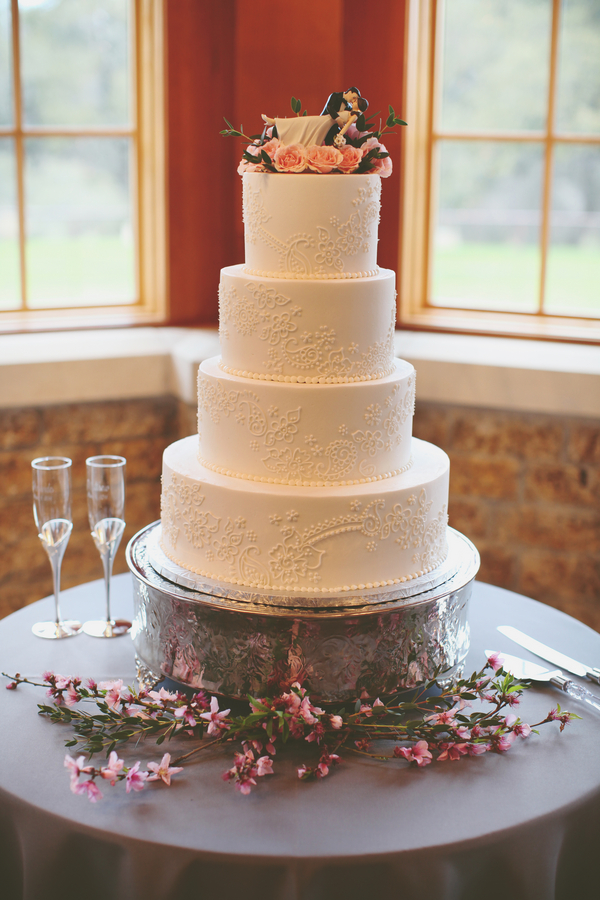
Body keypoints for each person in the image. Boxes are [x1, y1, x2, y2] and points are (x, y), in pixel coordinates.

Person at [261, 87, 368, 148]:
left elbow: (346, 125)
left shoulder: (351, 112)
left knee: (307, 127)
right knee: (304, 122)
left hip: (330, 126)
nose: (353, 101)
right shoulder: (335, 96)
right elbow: (330, 108)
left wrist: (340, 134)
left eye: (355, 101)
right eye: (353, 98)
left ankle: (279, 125)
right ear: (350, 92)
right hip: (324, 120)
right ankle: (276, 122)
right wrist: (338, 119)